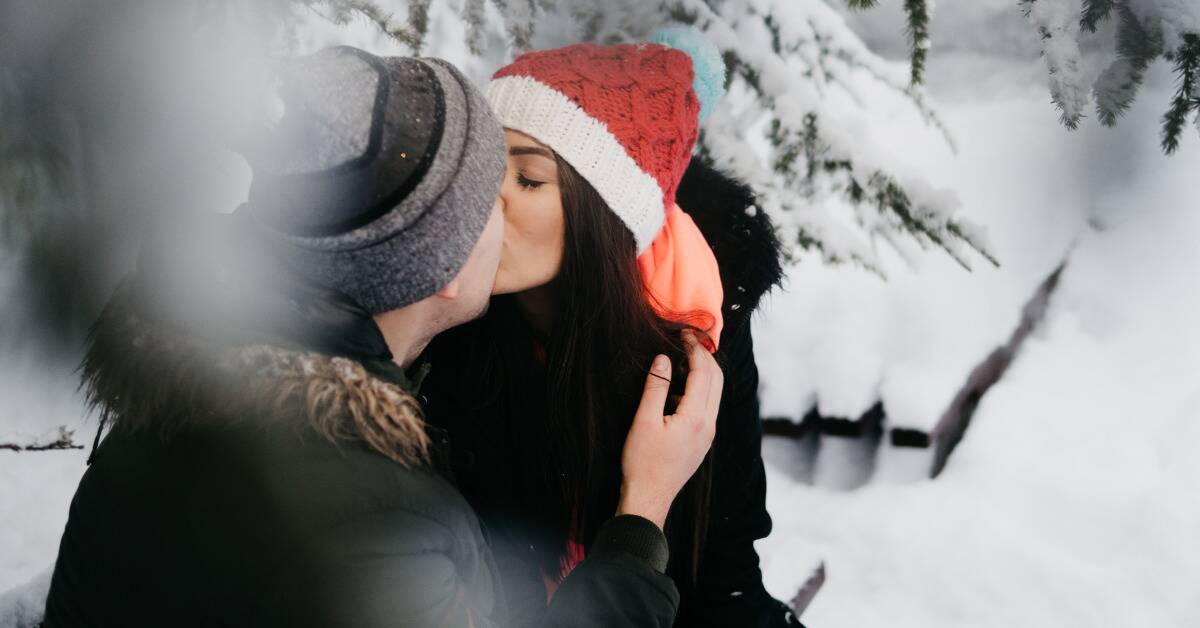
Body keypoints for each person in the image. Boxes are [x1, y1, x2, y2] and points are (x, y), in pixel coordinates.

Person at [40, 46, 720, 628]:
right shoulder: (376, 519)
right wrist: (641, 517)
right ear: (444, 268)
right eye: (480, 196)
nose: (500, 212)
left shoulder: (194, 381)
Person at [420, 28, 800, 627]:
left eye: (528, 179)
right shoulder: (445, 328)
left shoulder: (695, 337)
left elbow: (723, 568)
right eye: (485, 169)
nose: (489, 205)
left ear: (608, 212)